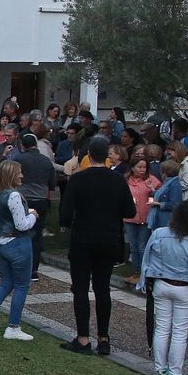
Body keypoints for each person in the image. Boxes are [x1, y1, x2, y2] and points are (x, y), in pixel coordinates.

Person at [58, 136, 136, 355]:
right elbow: (130, 211)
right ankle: (103, 336)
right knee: (102, 288)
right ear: (107, 158)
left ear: (89, 155)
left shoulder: (78, 180)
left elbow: (64, 215)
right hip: (108, 239)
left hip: (83, 239)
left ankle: (83, 337)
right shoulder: (118, 180)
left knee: (81, 288)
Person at [138, 199, 188, 375]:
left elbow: (147, 259)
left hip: (162, 284)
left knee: (162, 328)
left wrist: (144, 281)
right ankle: (175, 372)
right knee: (180, 331)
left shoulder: (159, 234)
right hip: (185, 288)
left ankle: (159, 366)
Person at [0, 160, 38, 341]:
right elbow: (22, 224)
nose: (22, 175)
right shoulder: (13, 196)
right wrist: (32, 215)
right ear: (11, 174)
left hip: (0, 244)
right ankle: (13, 327)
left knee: (5, 284)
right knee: (21, 286)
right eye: (19, 172)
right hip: (18, 245)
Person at [15, 132, 57, 279]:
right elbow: (52, 183)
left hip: (23, 199)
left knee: (21, 232)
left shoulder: (19, 159)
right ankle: (34, 269)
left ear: (23, 145)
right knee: (37, 234)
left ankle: (21, 265)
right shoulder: (46, 161)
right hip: (41, 199)